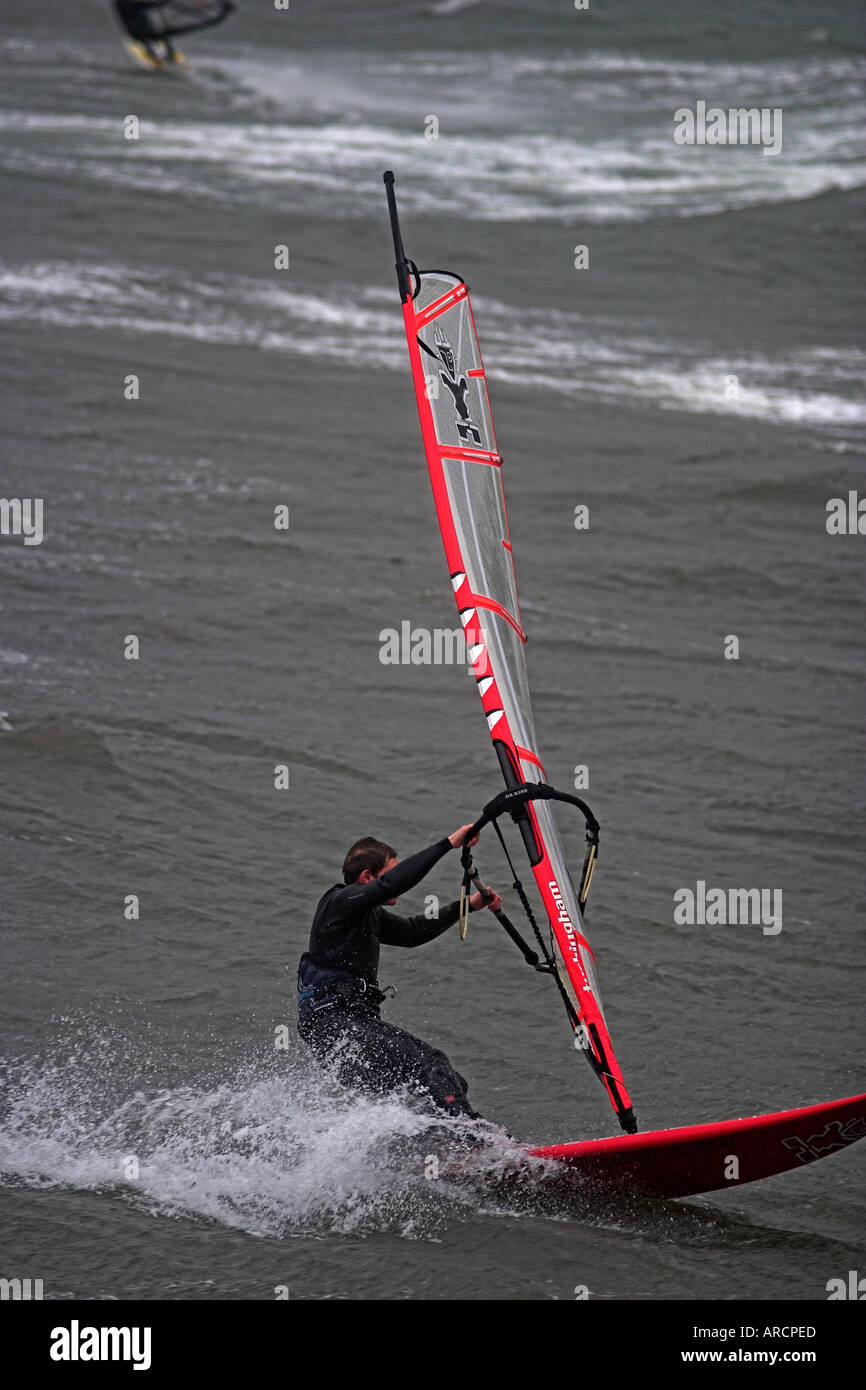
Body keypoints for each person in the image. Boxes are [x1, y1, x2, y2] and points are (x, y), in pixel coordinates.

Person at [297, 826, 501, 1119]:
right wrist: (449, 844)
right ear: (367, 877)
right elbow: (391, 885)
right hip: (336, 1024)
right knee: (433, 1065)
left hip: (343, 1029)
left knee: (446, 1083)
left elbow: (413, 932)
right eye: (389, 872)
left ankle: (431, 1149)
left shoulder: (369, 916)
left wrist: (467, 906)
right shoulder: (338, 903)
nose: (395, 882)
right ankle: (474, 1143)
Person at [113, 1, 235, 64]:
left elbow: (147, 5)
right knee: (157, 34)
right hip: (139, 35)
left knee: (162, 32)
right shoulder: (123, 3)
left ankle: (166, 52)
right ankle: (154, 52)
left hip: (150, 32)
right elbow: (145, 5)